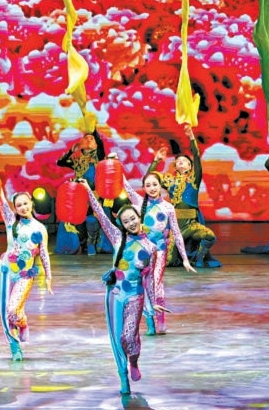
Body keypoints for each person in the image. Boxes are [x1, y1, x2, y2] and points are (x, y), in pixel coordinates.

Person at [87, 185, 161, 395]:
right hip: (114, 294)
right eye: (126, 221)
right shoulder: (118, 238)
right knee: (116, 338)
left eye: (133, 218)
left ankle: (134, 361)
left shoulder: (151, 248)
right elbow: (101, 215)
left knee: (128, 337)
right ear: (122, 224)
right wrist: (88, 190)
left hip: (135, 297)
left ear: (139, 217)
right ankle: (123, 376)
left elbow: (149, 279)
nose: (131, 223)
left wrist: (153, 303)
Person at [0, 171, 53, 361]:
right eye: (19, 205)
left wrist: (48, 277)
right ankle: (15, 348)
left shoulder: (39, 229)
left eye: (25, 203)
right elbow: (1, 201)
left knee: (13, 311)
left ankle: (23, 323)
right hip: (6, 272)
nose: (23, 207)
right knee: (5, 313)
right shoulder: (11, 222)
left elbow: (44, 254)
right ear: (15, 208)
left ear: (31, 203)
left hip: (25, 276)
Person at [126, 171, 194, 335]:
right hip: (143, 252)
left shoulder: (168, 207)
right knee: (143, 286)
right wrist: (115, 163)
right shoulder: (139, 202)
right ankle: (150, 321)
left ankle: (161, 320)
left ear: (160, 186)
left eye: (154, 184)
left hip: (160, 252)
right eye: (148, 185)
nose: (152, 188)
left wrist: (185, 259)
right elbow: (126, 187)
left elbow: (176, 233)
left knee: (156, 284)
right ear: (144, 188)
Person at [148, 125, 220, 268]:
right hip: (175, 227)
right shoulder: (170, 181)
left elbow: (197, 156)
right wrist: (156, 160)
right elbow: (150, 178)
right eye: (178, 160)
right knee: (169, 262)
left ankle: (198, 259)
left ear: (190, 166)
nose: (180, 161)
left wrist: (191, 138)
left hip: (191, 225)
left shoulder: (193, 180)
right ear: (175, 166)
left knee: (210, 236)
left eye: (184, 160)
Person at [56, 128, 106, 255]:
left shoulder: (99, 158)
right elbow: (60, 162)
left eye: (91, 138)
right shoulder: (77, 160)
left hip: (94, 194)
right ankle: (79, 243)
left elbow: (100, 143)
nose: (88, 140)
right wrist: (70, 152)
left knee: (92, 219)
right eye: (86, 138)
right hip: (79, 195)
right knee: (76, 219)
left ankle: (91, 242)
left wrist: (92, 128)